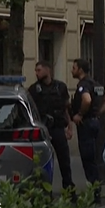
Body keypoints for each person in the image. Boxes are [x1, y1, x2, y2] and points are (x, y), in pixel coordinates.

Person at [70, 58, 105, 204]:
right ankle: (96, 190)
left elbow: (87, 100)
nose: (72, 70)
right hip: (95, 123)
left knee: (88, 159)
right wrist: (98, 113)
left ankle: (95, 193)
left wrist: (81, 114)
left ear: (80, 70)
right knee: (94, 157)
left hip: (86, 124)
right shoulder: (96, 84)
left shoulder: (84, 85)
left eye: (74, 68)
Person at [28, 61, 76, 193]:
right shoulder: (34, 89)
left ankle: (69, 190)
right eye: (36, 70)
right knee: (43, 163)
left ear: (47, 70)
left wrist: (70, 127)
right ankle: (45, 192)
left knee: (64, 161)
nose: (36, 73)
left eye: (39, 70)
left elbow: (66, 108)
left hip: (58, 128)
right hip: (43, 130)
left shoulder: (60, 87)